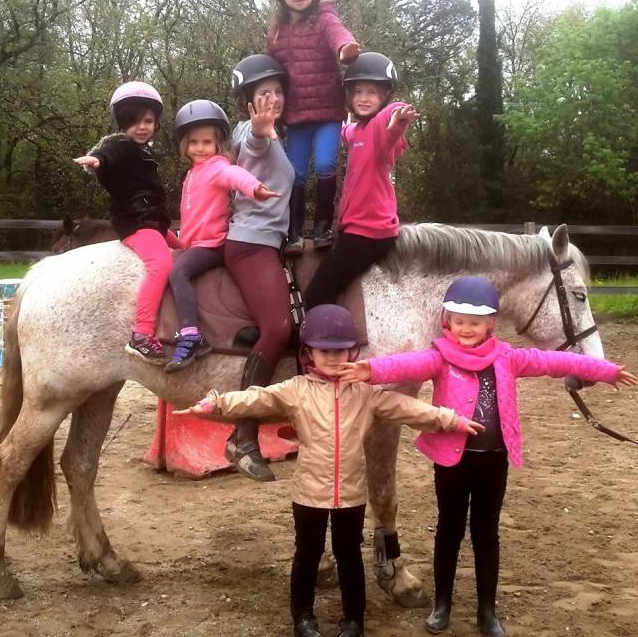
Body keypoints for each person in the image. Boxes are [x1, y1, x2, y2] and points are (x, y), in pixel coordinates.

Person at [339, 276, 638, 637]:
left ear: (490, 325)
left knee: (486, 534)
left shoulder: (508, 357)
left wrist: (606, 371)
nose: (467, 329)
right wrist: (368, 370)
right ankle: (443, 604)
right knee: (448, 531)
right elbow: (403, 365)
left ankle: (487, 610)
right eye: (460, 321)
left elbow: (553, 361)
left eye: (475, 322)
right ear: (447, 321)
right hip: (452, 461)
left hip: (493, 459)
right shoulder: (437, 357)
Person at [176, 304, 482, 637]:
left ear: (353, 352)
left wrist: (450, 419)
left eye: (341, 352)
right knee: (306, 556)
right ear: (309, 354)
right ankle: (303, 618)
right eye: (325, 351)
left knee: (350, 557)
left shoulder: (367, 395)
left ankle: (353, 620)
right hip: (309, 493)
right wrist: (216, 403)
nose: (334, 359)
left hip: (351, 494)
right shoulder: (295, 390)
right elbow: (256, 399)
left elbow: (408, 408)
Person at [165, 99, 279, 373]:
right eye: (194, 142)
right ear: (185, 145)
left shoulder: (216, 166)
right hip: (194, 242)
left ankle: (191, 334)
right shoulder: (192, 173)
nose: (200, 148)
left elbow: (235, 175)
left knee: (178, 273)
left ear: (218, 145)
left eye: (207, 142)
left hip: (212, 244)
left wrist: (255, 188)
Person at [223, 53, 295, 481]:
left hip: (269, 242)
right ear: (248, 102)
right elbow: (254, 142)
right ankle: (242, 432)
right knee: (278, 328)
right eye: (263, 93)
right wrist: (261, 130)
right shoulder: (251, 131)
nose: (273, 99)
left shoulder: (277, 134)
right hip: (251, 245)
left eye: (278, 91)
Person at [304, 52, 418, 310]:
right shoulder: (358, 131)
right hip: (355, 229)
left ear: (385, 96)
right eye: (358, 92)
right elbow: (347, 132)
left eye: (372, 92)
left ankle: (321, 340)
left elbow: (390, 124)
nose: (364, 98)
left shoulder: (380, 127)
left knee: (318, 293)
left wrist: (397, 118)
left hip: (370, 233)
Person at [265, 0, 360, 255]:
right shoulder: (277, 31)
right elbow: (271, 70)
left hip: (328, 112)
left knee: (325, 163)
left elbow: (338, 33)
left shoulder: (323, 17)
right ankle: (292, 233)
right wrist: (267, 104)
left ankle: (321, 229)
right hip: (296, 115)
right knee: (295, 172)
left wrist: (346, 47)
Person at [73, 81, 176, 364]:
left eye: (148, 121)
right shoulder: (121, 145)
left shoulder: (147, 152)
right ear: (122, 124)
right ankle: (142, 333)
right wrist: (97, 160)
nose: (141, 127)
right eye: (133, 122)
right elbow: (109, 154)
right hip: (136, 223)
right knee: (161, 264)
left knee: (188, 248)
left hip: (155, 222)